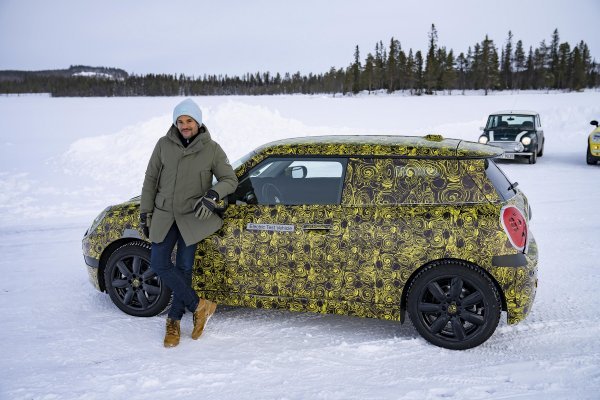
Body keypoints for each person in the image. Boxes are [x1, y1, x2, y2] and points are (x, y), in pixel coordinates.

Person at [140, 98, 238, 347]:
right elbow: (151, 179)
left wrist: (213, 195)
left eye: (189, 121)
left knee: (184, 269)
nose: (185, 126)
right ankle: (199, 306)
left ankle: (173, 323)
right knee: (159, 263)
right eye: (180, 121)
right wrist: (145, 212)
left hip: (192, 218)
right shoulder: (163, 145)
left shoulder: (212, 149)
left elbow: (230, 179)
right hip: (164, 214)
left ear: (198, 122)